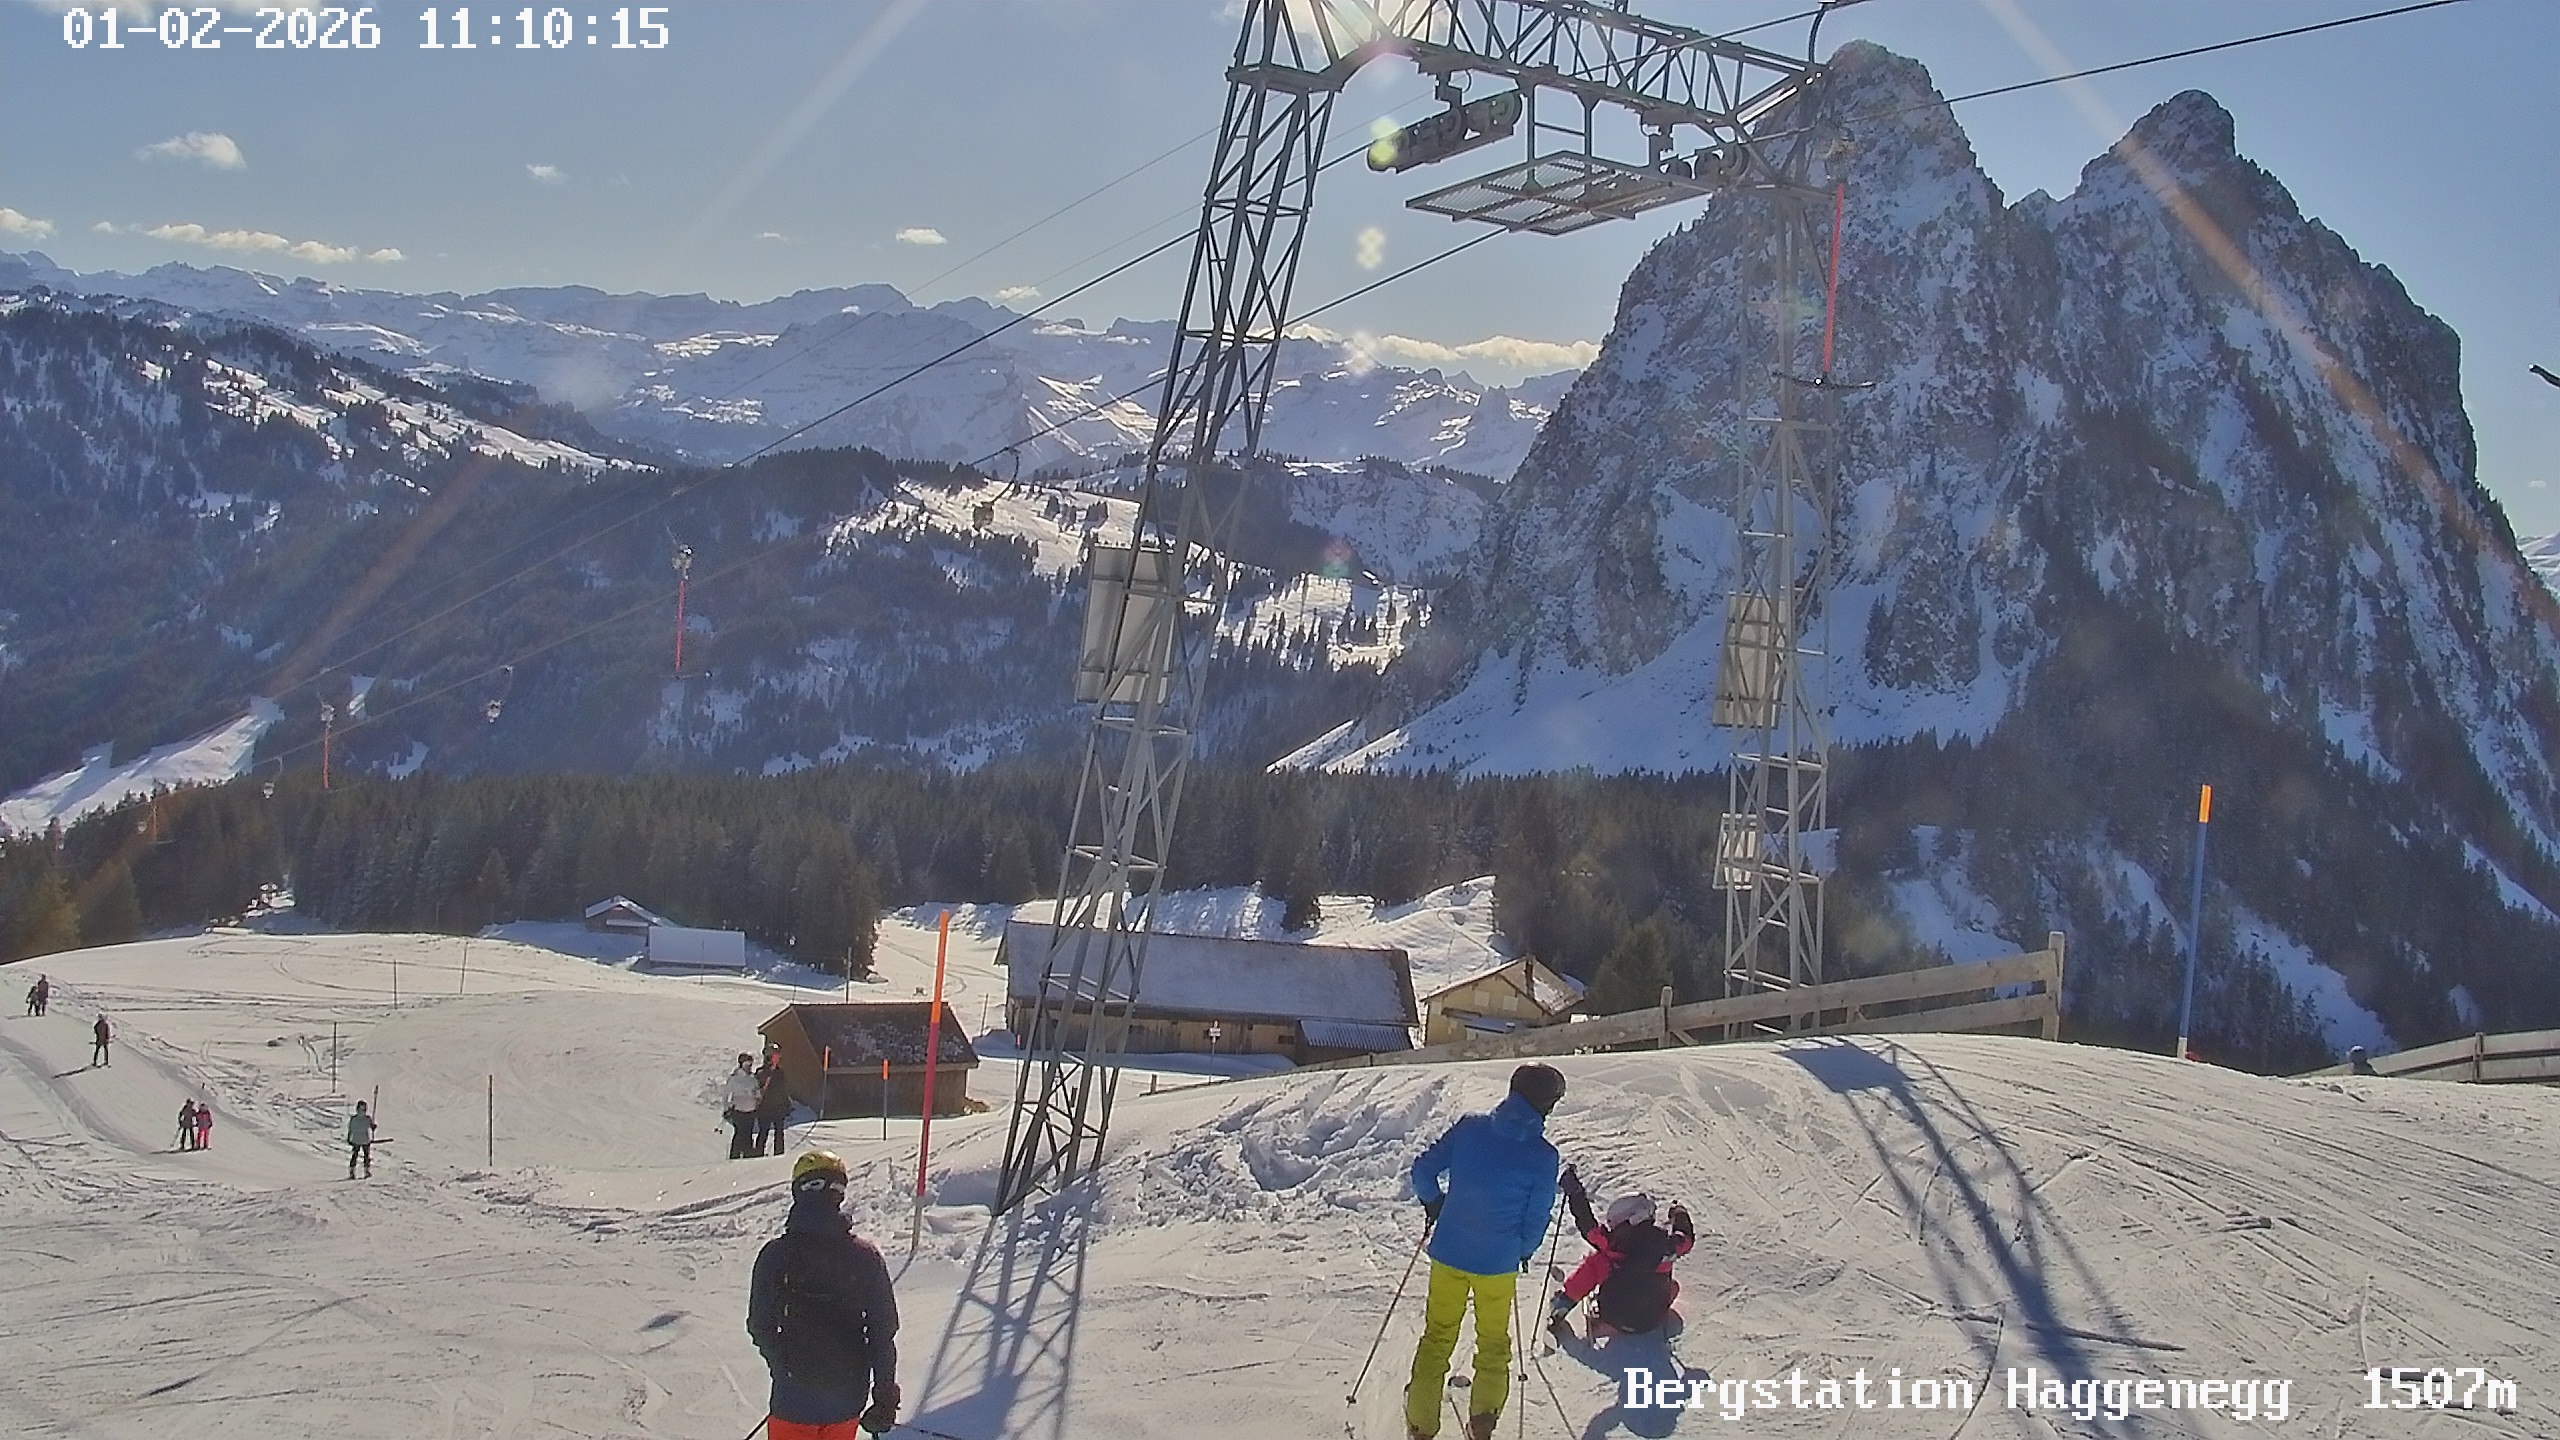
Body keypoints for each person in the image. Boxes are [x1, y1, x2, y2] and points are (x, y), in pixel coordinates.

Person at [1405, 1063, 1566, 1440]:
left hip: (1449, 1253)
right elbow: (1537, 1217)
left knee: (1437, 1338)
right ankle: (1482, 1422)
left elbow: (1422, 1171)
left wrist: (1435, 1204)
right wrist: (1520, 1250)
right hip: (1498, 1264)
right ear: (1545, 1105)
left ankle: (1422, 1426)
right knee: (1493, 1344)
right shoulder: (1543, 1156)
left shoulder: (1470, 1128)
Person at [747, 1150, 902, 1439]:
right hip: (847, 1397)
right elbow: (882, 1332)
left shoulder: (776, 1255)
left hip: (793, 1398)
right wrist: (885, 1397)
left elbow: (760, 1324)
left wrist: (784, 1365)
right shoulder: (865, 1256)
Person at [1546, 1166, 1693, 1341]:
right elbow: (1686, 1239)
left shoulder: (1614, 1245)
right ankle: (1645, 1317)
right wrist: (1679, 1214)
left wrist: (1575, 1194)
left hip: (1613, 1314)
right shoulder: (1668, 1246)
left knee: (1597, 1261)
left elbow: (1589, 1228)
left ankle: (1566, 1302)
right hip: (1651, 1320)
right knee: (1673, 1286)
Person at [754, 1050, 792, 1158]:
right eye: (774, 1056)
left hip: (778, 1108)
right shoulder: (761, 1072)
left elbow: (783, 1089)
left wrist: (787, 1104)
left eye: (777, 1056)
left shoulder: (780, 1072)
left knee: (779, 1133)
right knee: (763, 1132)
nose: (777, 1059)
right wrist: (769, 1072)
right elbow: (758, 1087)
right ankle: (758, 1153)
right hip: (765, 1108)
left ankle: (779, 1155)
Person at [724, 1052, 762, 1160]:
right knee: (739, 1133)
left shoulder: (752, 1079)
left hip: (751, 1110)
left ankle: (748, 1155)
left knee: (748, 1133)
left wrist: (757, 1097)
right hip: (739, 1110)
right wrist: (727, 1108)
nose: (749, 1067)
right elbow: (726, 1094)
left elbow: (757, 1091)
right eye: (747, 1064)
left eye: (751, 1064)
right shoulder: (735, 1078)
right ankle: (735, 1156)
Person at [347, 1100, 376, 1178]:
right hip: (365, 1139)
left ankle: (352, 1171)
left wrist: (349, 1138)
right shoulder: (367, 1119)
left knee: (355, 1155)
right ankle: (366, 1171)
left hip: (356, 1139)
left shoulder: (354, 1119)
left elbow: (350, 1129)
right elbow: (371, 1126)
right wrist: (373, 1127)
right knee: (366, 1156)